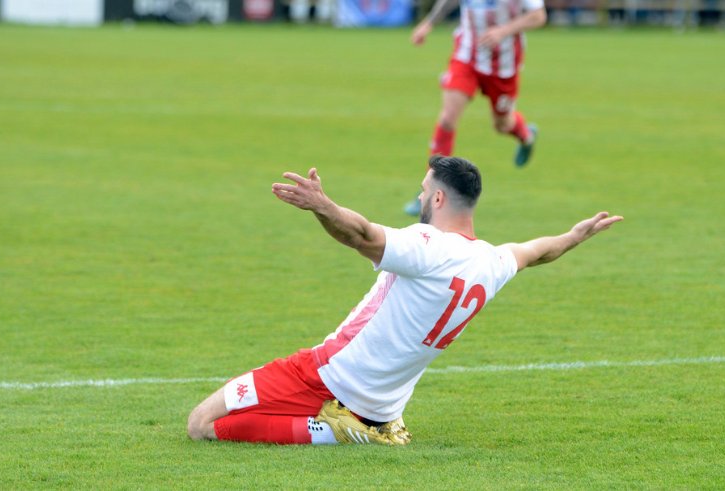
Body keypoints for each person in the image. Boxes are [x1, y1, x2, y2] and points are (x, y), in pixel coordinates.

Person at [187, 155, 622, 446]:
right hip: (385, 403)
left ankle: (336, 430)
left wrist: (322, 205)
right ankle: (363, 424)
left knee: (202, 423)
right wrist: (575, 235)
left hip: (328, 376)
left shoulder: (429, 245)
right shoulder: (491, 262)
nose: (417, 198)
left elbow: (360, 234)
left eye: (422, 189)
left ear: (438, 198)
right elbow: (538, 250)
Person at [403, 0, 548, 216]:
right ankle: (431, 190)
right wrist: (428, 24)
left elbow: (539, 16)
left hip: (503, 62)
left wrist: (503, 30)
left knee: (502, 124)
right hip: (467, 55)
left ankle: (526, 136)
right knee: (447, 120)